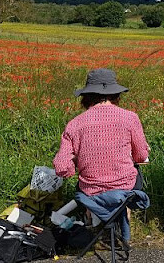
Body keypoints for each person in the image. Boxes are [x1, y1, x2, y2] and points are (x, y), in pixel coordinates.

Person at [53, 68, 150, 243]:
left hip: (90, 191)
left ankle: (91, 216)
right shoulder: (130, 118)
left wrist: (73, 166)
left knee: (84, 185)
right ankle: (124, 211)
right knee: (133, 173)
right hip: (124, 188)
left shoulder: (75, 124)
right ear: (115, 94)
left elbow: (61, 167)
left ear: (87, 95)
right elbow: (141, 156)